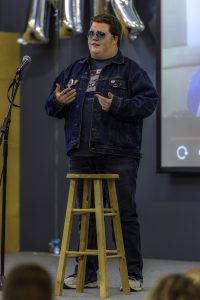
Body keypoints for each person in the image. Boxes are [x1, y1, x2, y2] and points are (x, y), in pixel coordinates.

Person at [45, 13, 158, 291]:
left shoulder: (130, 71)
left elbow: (148, 103)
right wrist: (57, 100)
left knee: (124, 214)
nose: (93, 39)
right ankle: (86, 272)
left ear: (115, 39)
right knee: (87, 216)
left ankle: (133, 274)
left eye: (100, 34)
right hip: (81, 154)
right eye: (91, 34)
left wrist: (117, 105)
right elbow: (50, 105)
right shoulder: (74, 70)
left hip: (119, 153)